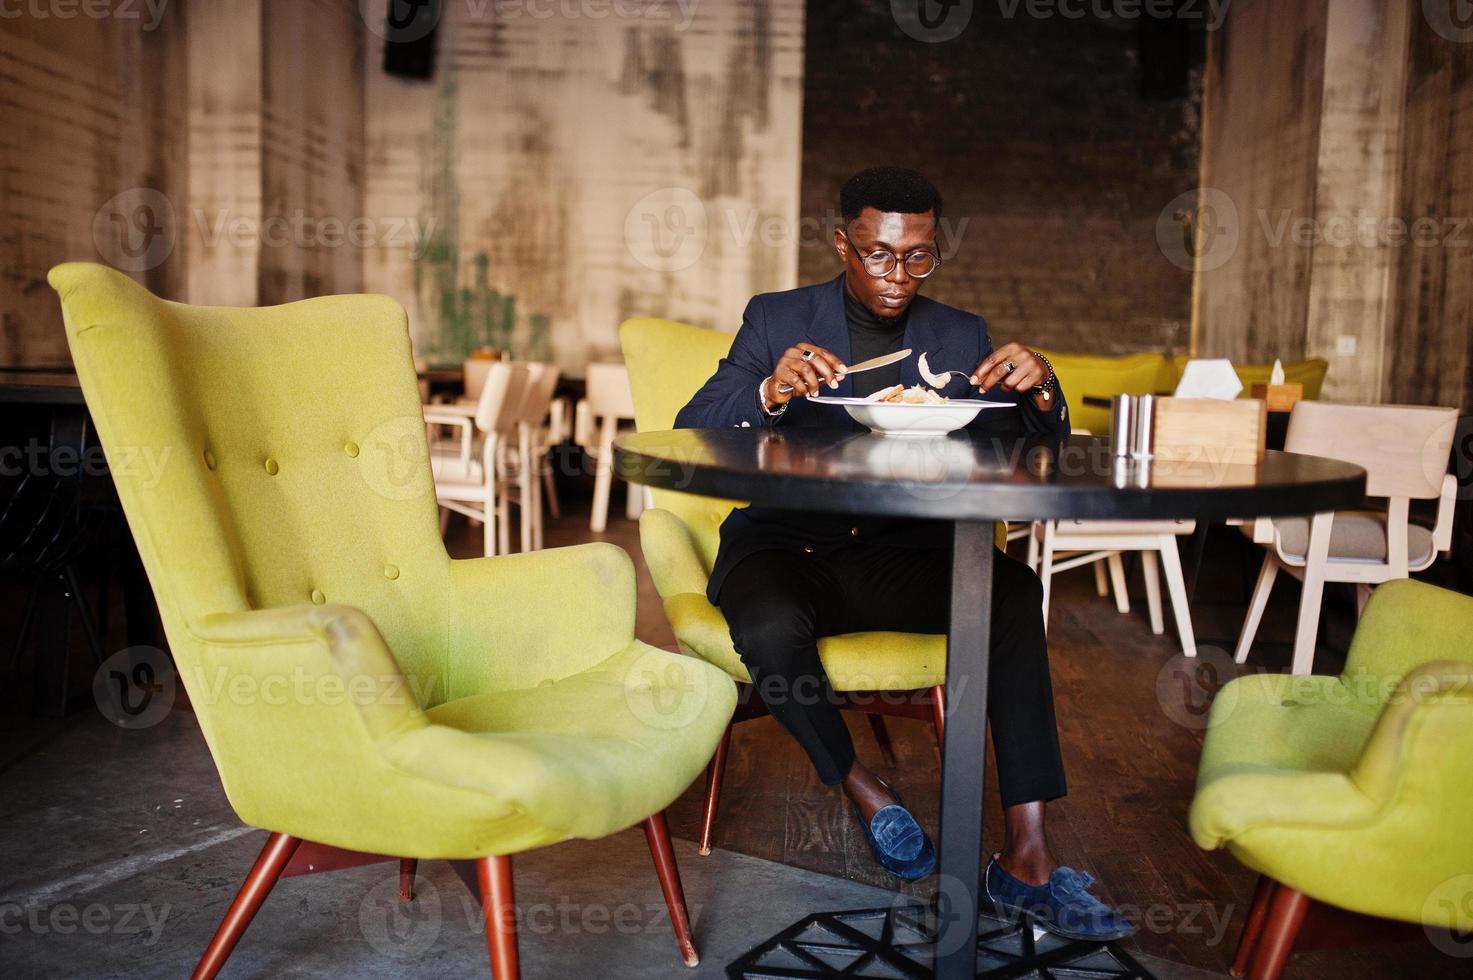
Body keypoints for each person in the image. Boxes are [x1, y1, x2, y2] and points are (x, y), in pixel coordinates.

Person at [674, 167, 1133, 941]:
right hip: (789, 545)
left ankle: (1025, 860)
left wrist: (1042, 391)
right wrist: (768, 393)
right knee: (765, 620)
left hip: (902, 552)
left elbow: (1013, 445)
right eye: (880, 255)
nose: (898, 277)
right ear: (842, 243)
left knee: (1012, 593)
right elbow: (693, 427)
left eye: (918, 257)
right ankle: (862, 786)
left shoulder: (958, 333)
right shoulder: (777, 318)